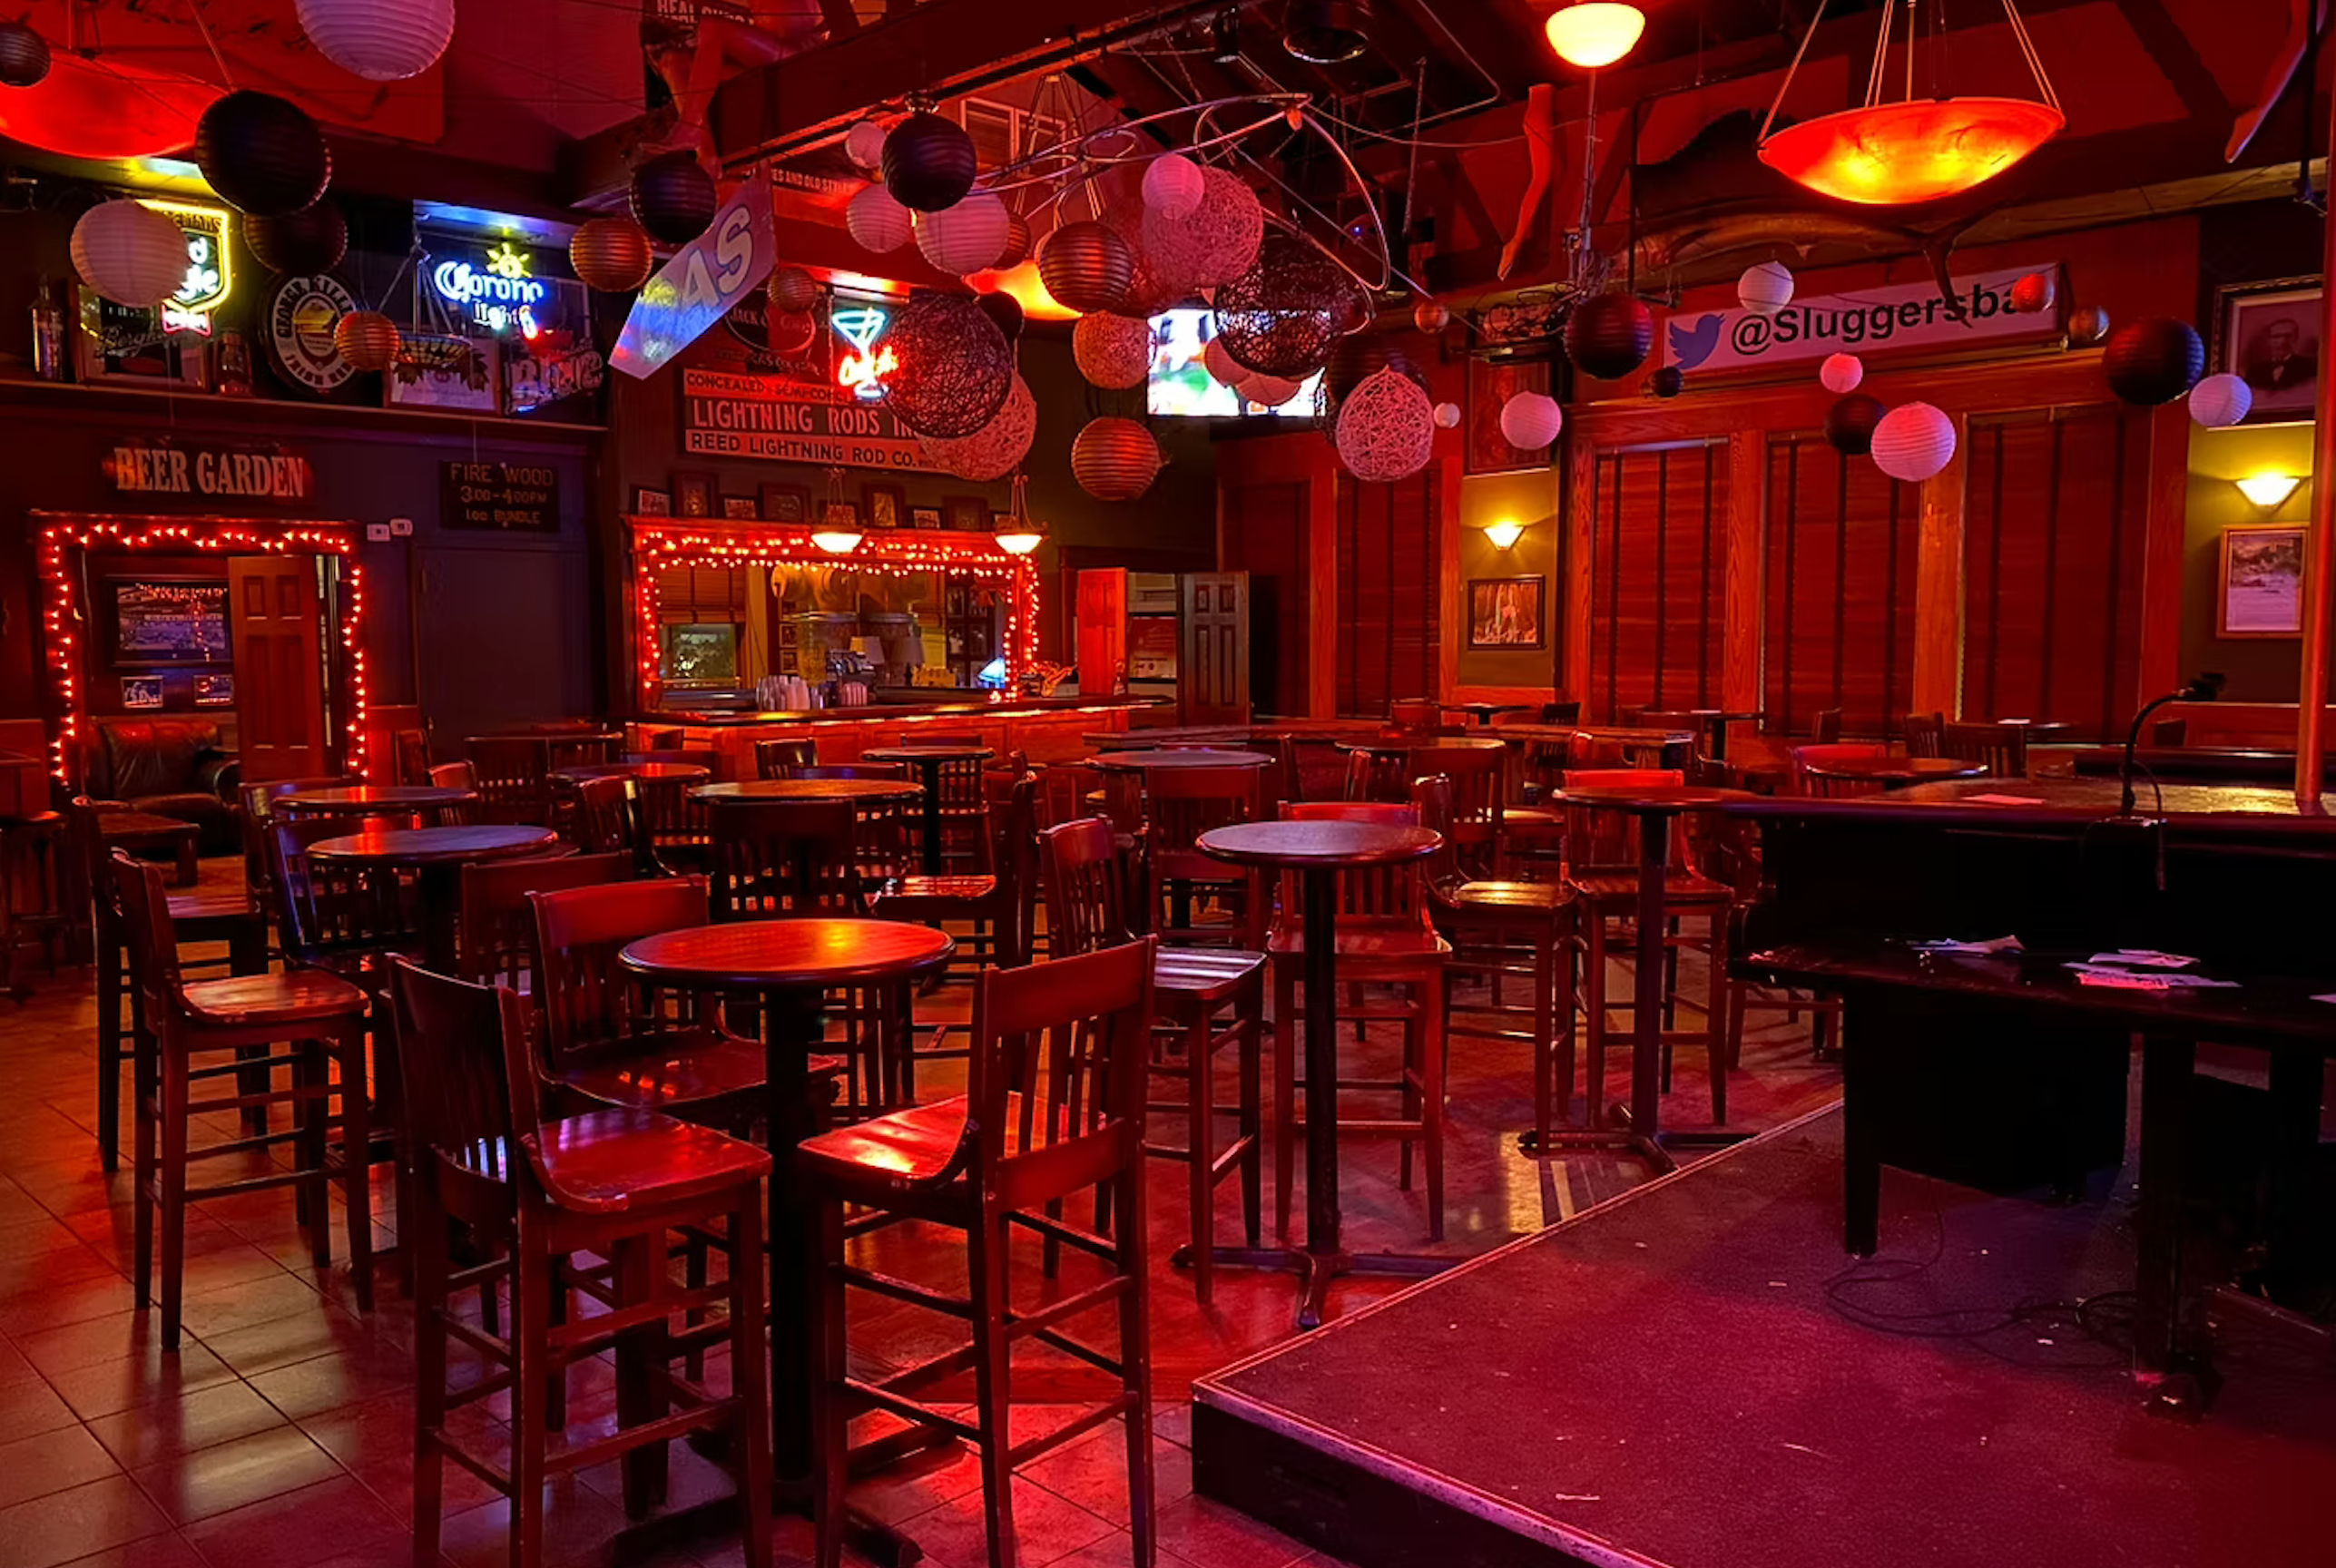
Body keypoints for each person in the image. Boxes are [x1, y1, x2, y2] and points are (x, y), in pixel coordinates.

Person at [2243, 316, 2317, 396]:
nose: (2282, 341)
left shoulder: (2309, 367)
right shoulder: (2255, 371)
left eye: (2288, 336)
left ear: (2296, 338)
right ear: (2269, 340)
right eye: (2276, 337)